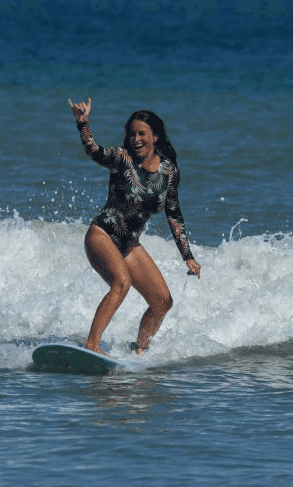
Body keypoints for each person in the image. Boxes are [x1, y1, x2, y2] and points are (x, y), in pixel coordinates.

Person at [68, 97, 201, 355]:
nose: (136, 139)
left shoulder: (169, 171)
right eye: (132, 134)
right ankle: (92, 344)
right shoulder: (121, 158)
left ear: (156, 137)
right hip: (102, 235)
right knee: (121, 283)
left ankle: (139, 350)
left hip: (128, 245)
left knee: (162, 301)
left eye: (142, 134)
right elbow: (93, 150)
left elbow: (173, 213)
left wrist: (188, 257)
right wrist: (82, 123)